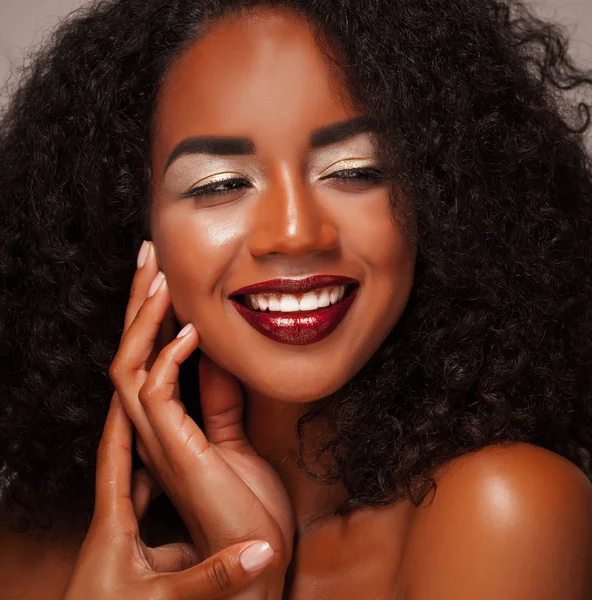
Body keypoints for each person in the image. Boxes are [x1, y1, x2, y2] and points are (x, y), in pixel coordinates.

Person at [0, 0, 591, 598]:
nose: (295, 232)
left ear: (442, 196)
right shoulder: (30, 560)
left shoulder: (503, 509)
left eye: (356, 171)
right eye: (223, 183)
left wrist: (247, 582)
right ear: (128, 223)